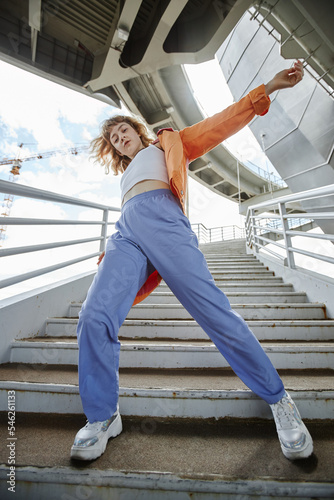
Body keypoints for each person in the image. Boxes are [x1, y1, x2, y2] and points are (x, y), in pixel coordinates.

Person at [70, 60, 313, 462]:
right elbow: (130, 210)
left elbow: (221, 122)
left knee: (215, 313)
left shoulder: (171, 144)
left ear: (137, 130)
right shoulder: (125, 176)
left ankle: (279, 399)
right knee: (93, 316)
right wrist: (112, 247)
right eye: (113, 138)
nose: (119, 138)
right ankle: (102, 416)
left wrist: (268, 87)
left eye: (123, 130)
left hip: (165, 222)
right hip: (126, 235)